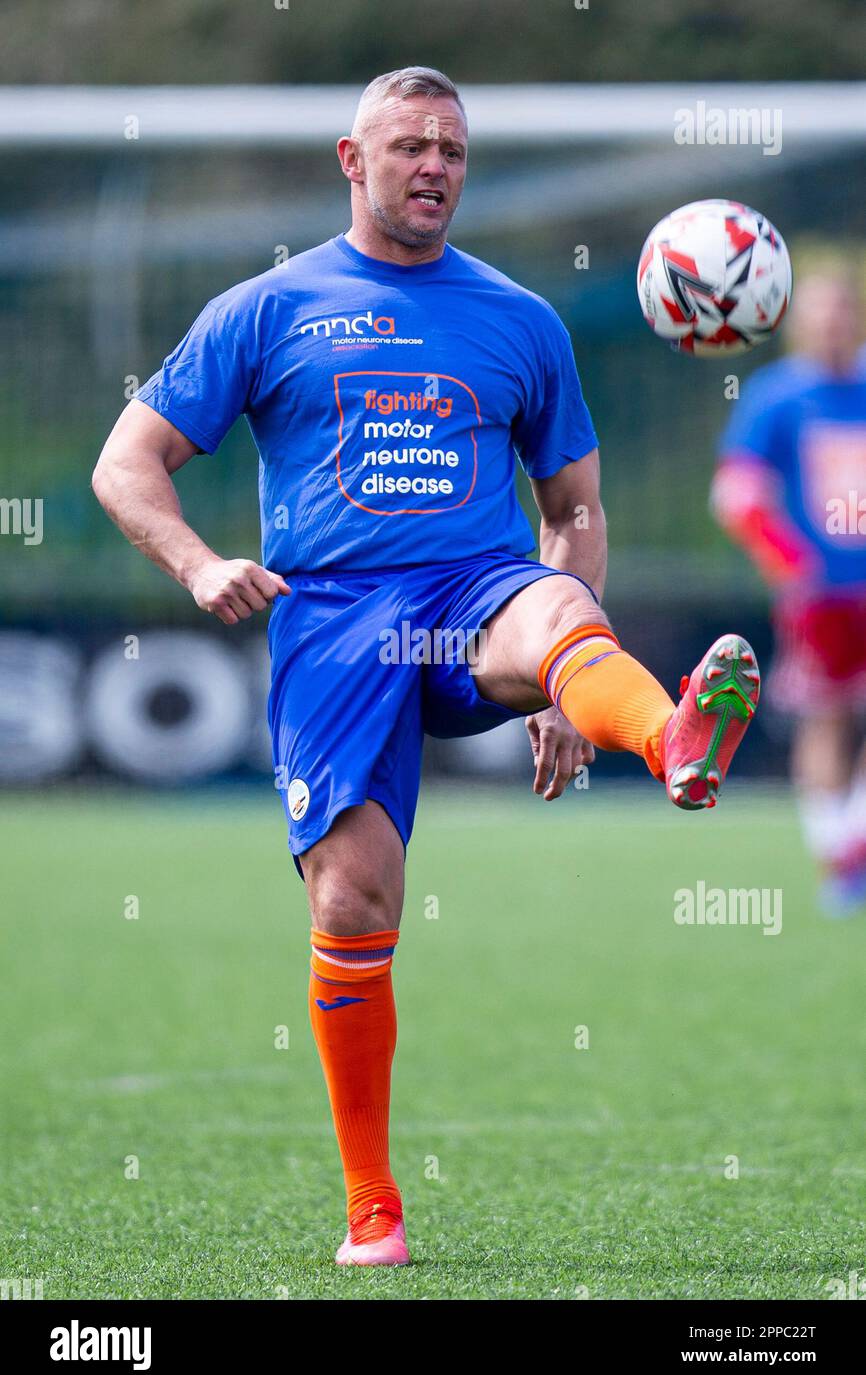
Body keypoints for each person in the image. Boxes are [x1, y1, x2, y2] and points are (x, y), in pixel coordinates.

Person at [93, 66, 759, 1267]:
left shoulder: (518, 320)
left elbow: (572, 508)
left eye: (451, 149)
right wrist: (197, 566)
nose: (434, 167)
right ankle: (371, 1206)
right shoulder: (265, 308)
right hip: (335, 617)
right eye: (409, 147)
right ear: (352, 163)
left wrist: (571, 677)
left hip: (473, 594)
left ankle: (665, 738)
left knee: (554, 602)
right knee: (352, 900)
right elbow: (127, 462)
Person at [713, 268, 866, 914]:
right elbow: (735, 494)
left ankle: (852, 844)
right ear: (800, 323)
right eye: (820, 313)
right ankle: (839, 855)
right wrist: (786, 561)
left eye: (842, 311)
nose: (832, 325)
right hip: (820, 592)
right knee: (825, 713)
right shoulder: (776, 398)